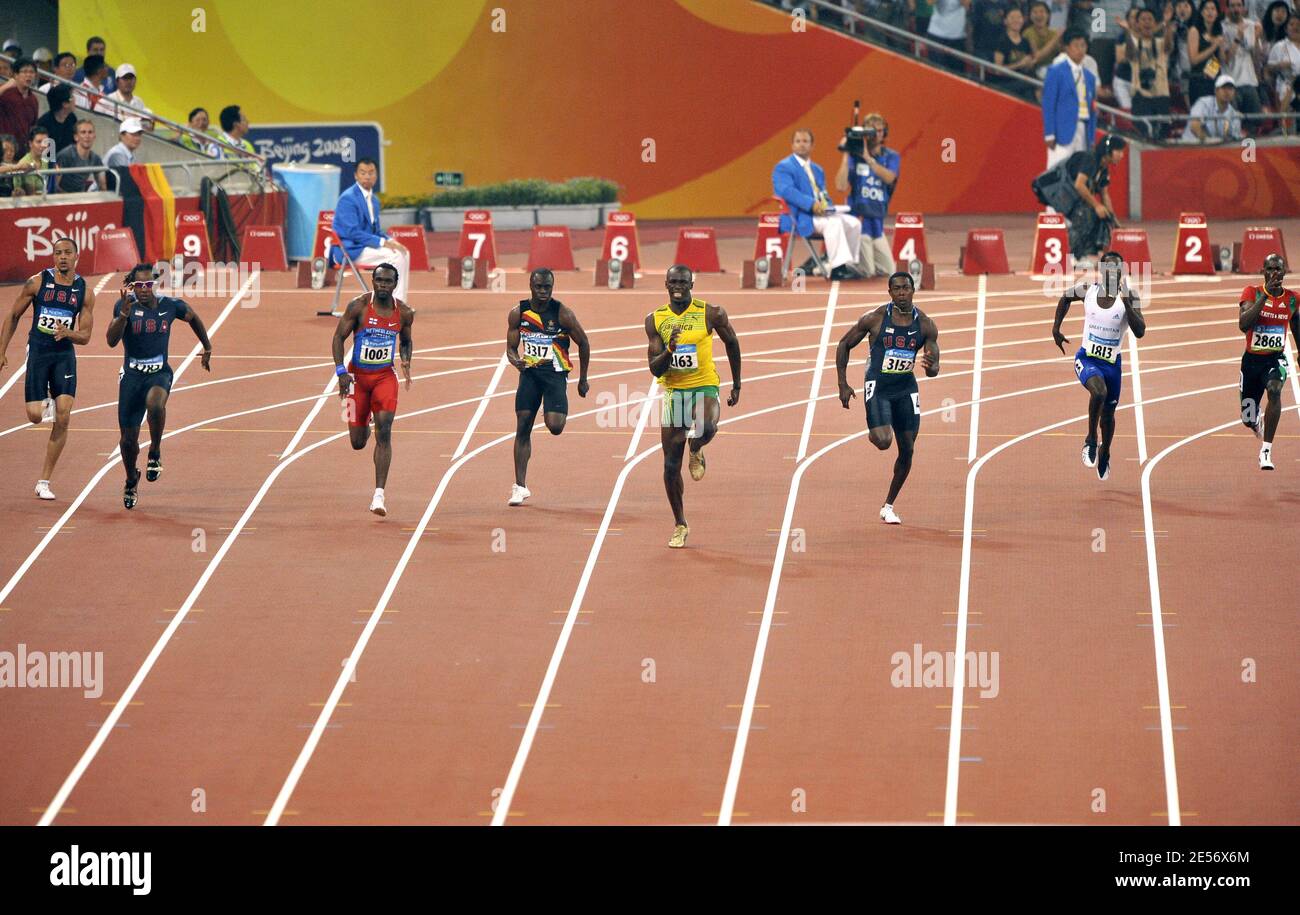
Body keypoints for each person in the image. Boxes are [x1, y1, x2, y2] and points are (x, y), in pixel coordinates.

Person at [645, 264, 742, 548]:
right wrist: (670, 350)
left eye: (683, 282)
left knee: (707, 426)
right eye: (673, 282)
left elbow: (732, 343)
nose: (678, 286)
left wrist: (737, 384)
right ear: (666, 284)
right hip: (675, 391)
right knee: (670, 465)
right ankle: (680, 523)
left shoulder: (711, 313)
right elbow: (654, 368)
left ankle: (697, 447)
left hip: (704, 385)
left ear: (691, 284)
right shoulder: (655, 320)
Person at [835, 272, 940, 525]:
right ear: (890, 292)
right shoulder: (874, 319)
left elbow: (934, 369)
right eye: (897, 289)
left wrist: (930, 366)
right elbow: (843, 344)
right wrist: (843, 384)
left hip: (906, 388)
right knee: (883, 441)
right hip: (879, 386)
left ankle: (888, 505)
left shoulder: (926, 325)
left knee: (908, 449)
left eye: (906, 288)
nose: (902, 293)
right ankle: (875, 426)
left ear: (914, 290)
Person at [105, 264, 212, 508]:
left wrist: (207, 347)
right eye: (138, 286)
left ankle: (154, 451)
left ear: (154, 284)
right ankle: (132, 479)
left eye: (147, 285)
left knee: (155, 404)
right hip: (132, 377)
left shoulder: (170, 306)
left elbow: (193, 317)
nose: (143, 290)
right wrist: (122, 315)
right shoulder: (125, 307)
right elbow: (111, 341)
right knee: (127, 442)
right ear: (132, 286)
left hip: (159, 374)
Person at [0, 238, 97, 501]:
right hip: (39, 353)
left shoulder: (84, 292)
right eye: (57, 253)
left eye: (67, 253)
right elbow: (13, 316)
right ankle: (48, 404)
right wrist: (1, 350)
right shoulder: (37, 282)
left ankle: (44, 481)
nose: (62, 257)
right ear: (53, 256)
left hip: (64, 355)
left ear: (77, 256)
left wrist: (70, 333)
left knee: (64, 415)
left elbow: (86, 336)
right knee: (34, 415)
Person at [1051, 252, 1146, 481]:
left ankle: (1105, 451)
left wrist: (1126, 303)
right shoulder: (1088, 291)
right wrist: (1056, 328)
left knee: (1109, 415)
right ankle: (1091, 439)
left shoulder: (1130, 296)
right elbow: (1065, 298)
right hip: (1087, 359)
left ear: (1122, 272)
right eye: (1108, 269)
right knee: (1099, 392)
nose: (1112, 273)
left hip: (1112, 365)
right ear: (1101, 272)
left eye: (1116, 270)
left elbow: (1140, 331)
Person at [332, 264, 414, 517]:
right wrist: (340, 371)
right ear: (373, 281)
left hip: (384, 378)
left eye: (388, 281)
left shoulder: (405, 313)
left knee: (385, 430)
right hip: (356, 378)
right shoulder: (357, 306)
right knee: (357, 442)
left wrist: (406, 360)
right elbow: (338, 338)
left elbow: (407, 341)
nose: (382, 285)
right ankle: (363, 424)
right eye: (378, 280)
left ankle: (379, 494)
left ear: (395, 283)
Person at [504, 268, 591, 505]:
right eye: (539, 287)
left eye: (547, 287)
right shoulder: (518, 313)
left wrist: (583, 379)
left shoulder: (562, 314)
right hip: (530, 375)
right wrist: (515, 361)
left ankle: (550, 407)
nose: (543, 291)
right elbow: (511, 347)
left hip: (555, 376)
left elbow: (584, 343)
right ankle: (519, 486)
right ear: (531, 286)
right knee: (523, 427)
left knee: (555, 427)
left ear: (552, 288)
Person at [773, 129, 863, 279]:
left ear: (812, 146)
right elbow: (786, 191)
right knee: (834, 225)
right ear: (792, 145)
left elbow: (823, 193)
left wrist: (827, 206)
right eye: (798, 141)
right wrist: (812, 205)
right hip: (799, 216)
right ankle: (837, 269)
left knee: (854, 223)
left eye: (805, 141)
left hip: (821, 214)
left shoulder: (817, 169)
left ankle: (848, 264)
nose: (802, 145)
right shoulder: (783, 167)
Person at [1237, 254, 1298, 470]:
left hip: (1275, 359)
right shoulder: (1251, 293)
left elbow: (1297, 330)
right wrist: (1266, 297)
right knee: (1247, 418)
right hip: (1251, 362)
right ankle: (1255, 423)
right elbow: (1243, 324)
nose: (1275, 273)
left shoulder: (1292, 299)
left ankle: (1266, 450)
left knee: (1275, 390)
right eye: (1270, 269)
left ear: (1284, 272)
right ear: (1263, 271)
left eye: (1279, 269)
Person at [332, 157, 411, 301]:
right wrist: (382, 243)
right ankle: (396, 304)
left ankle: (399, 301)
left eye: (371, 173)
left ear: (376, 176)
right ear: (356, 175)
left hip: (366, 246)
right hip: (350, 249)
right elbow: (352, 232)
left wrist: (391, 241)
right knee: (396, 256)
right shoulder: (347, 198)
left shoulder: (374, 200)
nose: (367, 176)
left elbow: (376, 231)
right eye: (363, 173)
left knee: (404, 252)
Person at [835, 112, 900, 279]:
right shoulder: (854, 157)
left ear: (884, 133)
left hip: (877, 221)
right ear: (864, 133)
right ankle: (833, 264)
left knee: (889, 270)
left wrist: (868, 158)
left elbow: (889, 178)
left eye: (879, 130)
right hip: (859, 219)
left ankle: (841, 258)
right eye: (872, 131)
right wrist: (846, 155)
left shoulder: (891, 156)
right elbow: (840, 186)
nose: (876, 134)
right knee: (868, 271)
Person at [1062, 134, 1125, 269]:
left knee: (1104, 215)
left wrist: (1114, 220)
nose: (1122, 155)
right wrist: (1096, 206)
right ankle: (1073, 257)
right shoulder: (1090, 160)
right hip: (1063, 194)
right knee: (1085, 212)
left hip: (1077, 198)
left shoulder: (1104, 168)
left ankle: (1088, 253)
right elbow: (1079, 185)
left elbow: (1105, 194)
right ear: (1108, 150)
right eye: (1118, 151)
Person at [1042, 29, 1097, 170]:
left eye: (1083, 45)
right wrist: (1049, 134)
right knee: (1056, 171)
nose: (1080, 50)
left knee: (1079, 174)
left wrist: (1091, 137)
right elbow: (1048, 104)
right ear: (1066, 48)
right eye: (1076, 45)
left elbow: (1093, 108)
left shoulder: (1090, 77)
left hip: (1083, 129)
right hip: (1062, 130)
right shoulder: (1056, 71)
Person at [1117, 7, 1175, 139]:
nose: (1146, 22)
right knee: (1142, 135)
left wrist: (1167, 24)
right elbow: (1130, 53)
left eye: (1150, 19)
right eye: (1143, 19)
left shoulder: (1160, 43)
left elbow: (1169, 45)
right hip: (1140, 96)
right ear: (1137, 23)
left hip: (1161, 95)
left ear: (1155, 24)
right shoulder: (1133, 43)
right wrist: (1127, 32)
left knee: (1162, 136)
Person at [1221, 0, 1265, 132]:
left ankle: (1251, 150)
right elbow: (1226, 59)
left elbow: (1257, 57)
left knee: (1255, 121)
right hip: (1230, 82)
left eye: (1239, 5)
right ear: (1227, 8)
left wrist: (1257, 38)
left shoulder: (1252, 26)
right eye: (1232, 6)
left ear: (1244, 8)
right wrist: (1238, 37)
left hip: (1250, 81)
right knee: (1232, 123)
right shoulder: (1222, 27)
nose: (1236, 9)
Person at [1181, 74, 1244, 140]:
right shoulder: (1203, 103)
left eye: (1230, 89)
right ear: (1216, 91)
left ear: (1234, 93)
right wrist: (1209, 142)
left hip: (1214, 148)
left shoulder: (1234, 114)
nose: (1227, 92)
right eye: (1223, 88)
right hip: (1189, 146)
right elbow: (1194, 126)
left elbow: (1234, 138)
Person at [1188, 0, 1227, 104]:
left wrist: (1221, 46)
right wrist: (1213, 47)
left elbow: (1222, 60)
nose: (1210, 12)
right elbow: (1193, 60)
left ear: (1217, 13)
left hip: (1214, 79)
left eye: (1213, 9)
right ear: (1201, 12)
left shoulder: (1219, 31)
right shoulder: (1194, 31)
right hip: (1199, 80)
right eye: (1206, 8)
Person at [55, 119, 106, 193]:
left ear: (94, 136)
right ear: (76, 137)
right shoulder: (65, 155)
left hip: (81, 198)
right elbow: (54, 186)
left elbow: (103, 186)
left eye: (90, 132)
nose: (87, 136)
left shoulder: (96, 159)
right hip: (62, 199)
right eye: (83, 132)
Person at [1265, 14, 1300, 107]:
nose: (1295, 27)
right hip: (1287, 86)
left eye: (1298, 25)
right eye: (1291, 24)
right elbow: (1267, 69)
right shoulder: (1279, 46)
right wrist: (1279, 65)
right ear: (1286, 28)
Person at [10, 125, 51, 196]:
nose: (43, 145)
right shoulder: (22, 163)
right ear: (30, 144)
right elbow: (17, 192)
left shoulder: (46, 161)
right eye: (38, 142)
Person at [35, 84, 76, 154]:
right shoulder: (44, 124)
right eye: (72, 97)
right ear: (64, 104)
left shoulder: (72, 118)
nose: (75, 99)